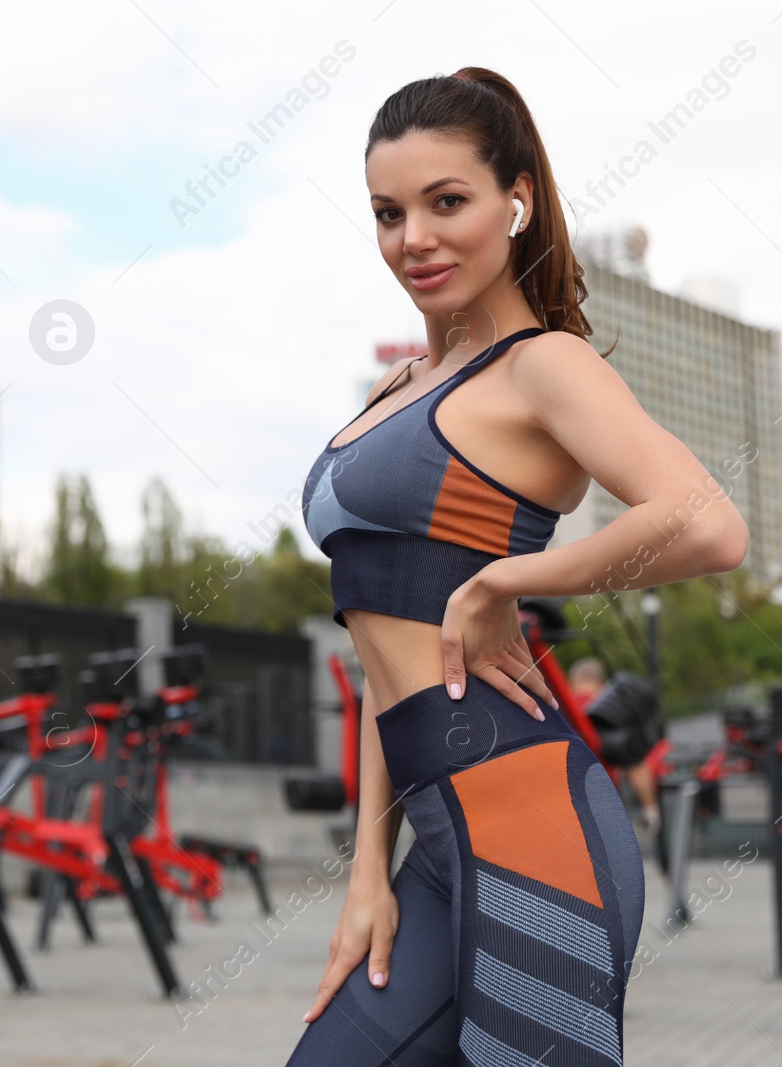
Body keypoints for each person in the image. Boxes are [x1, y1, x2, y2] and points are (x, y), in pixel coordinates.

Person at [288, 67, 748, 1065]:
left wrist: (507, 581)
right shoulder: (398, 386)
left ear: (516, 201)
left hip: (534, 836)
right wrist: (367, 866)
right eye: (387, 212)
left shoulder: (544, 365)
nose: (414, 237)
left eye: (446, 201)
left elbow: (710, 525)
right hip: (436, 844)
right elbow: (381, 656)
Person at [567, 657, 663, 842]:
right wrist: (651, 812)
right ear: (602, 683)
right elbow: (635, 766)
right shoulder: (613, 711)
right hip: (603, 796)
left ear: (575, 681)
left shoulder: (558, 705)